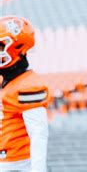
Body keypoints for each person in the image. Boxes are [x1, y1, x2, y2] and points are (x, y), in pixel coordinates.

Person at [0, 16, 49, 172]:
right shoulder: (7, 80)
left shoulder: (28, 86)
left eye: (1, 46)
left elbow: (38, 135)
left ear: (16, 47)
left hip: (16, 165)